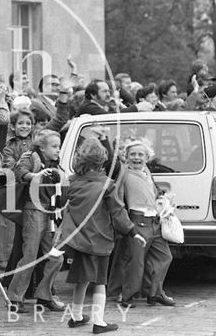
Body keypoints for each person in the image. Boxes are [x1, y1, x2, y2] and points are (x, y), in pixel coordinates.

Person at [60, 138, 145, 334]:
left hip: (79, 239)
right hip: (100, 240)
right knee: (100, 282)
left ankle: (76, 316)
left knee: (82, 279)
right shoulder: (107, 185)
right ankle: (99, 322)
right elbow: (118, 212)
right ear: (102, 161)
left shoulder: (72, 182)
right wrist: (132, 232)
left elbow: (62, 203)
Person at [7, 130, 65, 313]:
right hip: (34, 210)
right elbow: (20, 171)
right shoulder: (31, 157)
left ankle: (44, 296)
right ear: (42, 147)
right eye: (54, 146)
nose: (58, 150)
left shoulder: (55, 164)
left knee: (56, 257)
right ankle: (15, 298)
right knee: (30, 255)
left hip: (51, 212)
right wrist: (35, 176)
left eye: (59, 146)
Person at [117, 140, 175, 308]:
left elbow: (153, 192)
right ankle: (127, 297)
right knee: (136, 261)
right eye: (133, 154)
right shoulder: (124, 173)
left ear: (147, 157)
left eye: (140, 154)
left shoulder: (147, 172)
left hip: (154, 220)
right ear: (126, 157)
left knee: (164, 257)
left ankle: (155, 293)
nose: (136, 158)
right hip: (138, 220)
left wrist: (163, 198)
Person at [75, 80, 152, 117]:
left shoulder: (106, 105)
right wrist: (137, 107)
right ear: (93, 95)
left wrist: (120, 105)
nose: (108, 94)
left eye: (109, 91)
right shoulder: (88, 106)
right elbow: (108, 117)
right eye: (104, 91)